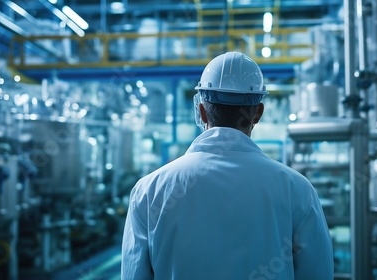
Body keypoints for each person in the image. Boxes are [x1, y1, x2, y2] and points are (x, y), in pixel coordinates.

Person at [121, 51, 333, 279]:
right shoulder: (298, 190)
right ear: (258, 113)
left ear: (201, 111)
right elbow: (319, 273)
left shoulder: (148, 191)